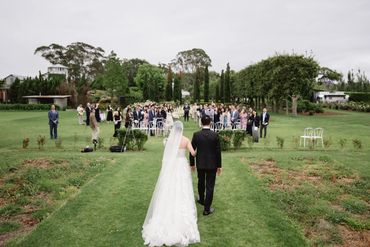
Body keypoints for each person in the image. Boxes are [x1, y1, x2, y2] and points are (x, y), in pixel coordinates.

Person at [142, 121, 200, 246]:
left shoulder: (169, 140)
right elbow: (193, 153)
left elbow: (167, 154)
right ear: (182, 129)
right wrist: (198, 148)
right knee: (183, 187)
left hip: (172, 166)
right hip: (181, 165)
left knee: (169, 186)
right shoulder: (185, 140)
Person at [190, 115, 222, 216]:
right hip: (212, 164)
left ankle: (201, 199)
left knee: (201, 181)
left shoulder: (196, 135)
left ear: (201, 122)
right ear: (210, 123)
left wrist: (192, 164)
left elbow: (191, 150)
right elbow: (218, 152)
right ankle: (206, 208)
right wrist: (219, 166)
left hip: (200, 164)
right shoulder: (215, 135)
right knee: (209, 186)